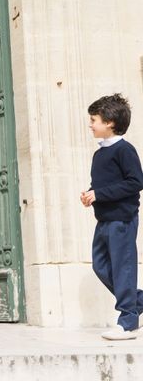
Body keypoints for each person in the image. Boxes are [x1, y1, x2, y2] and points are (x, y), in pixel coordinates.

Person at [80, 93, 143, 340]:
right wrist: (90, 195)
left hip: (122, 219)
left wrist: (99, 194)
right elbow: (103, 186)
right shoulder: (99, 154)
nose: (90, 124)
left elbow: (136, 182)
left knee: (123, 268)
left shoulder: (124, 150)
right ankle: (138, 300)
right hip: (104, 219)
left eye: (94, 119)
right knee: (100, 265)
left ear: (110, 122)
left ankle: (127, 321)